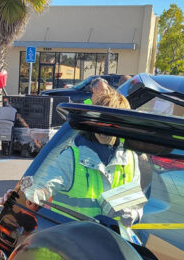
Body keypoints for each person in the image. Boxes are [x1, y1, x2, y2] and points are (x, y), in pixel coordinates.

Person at [21, 90, 146, 241]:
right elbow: (42, 185)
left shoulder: (130, 159)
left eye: (112, 122)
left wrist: (129, 214)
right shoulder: (72, 156)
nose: (104, 127)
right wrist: (23, 194)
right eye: (100, 120)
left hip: (112, 244)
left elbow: (136, 205)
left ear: (121, 125)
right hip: (73, 244)